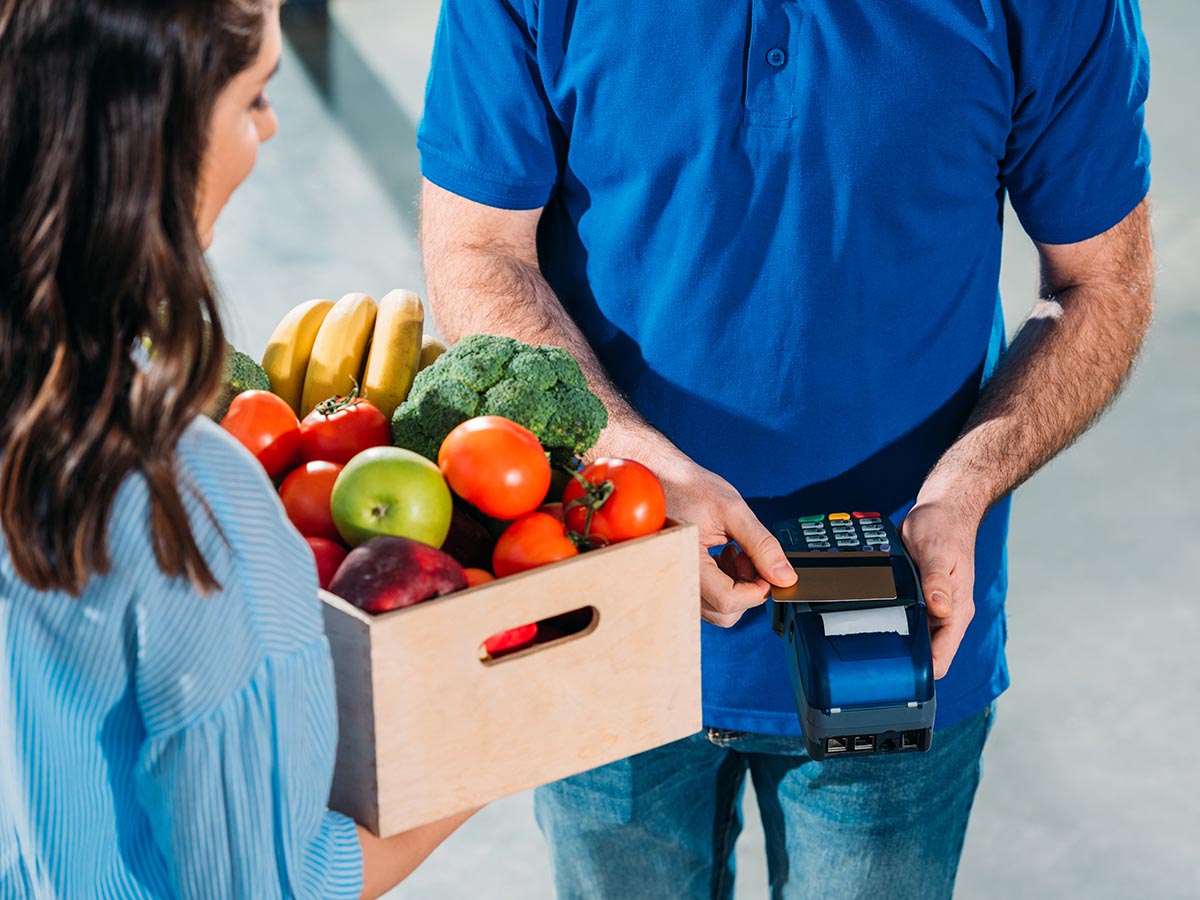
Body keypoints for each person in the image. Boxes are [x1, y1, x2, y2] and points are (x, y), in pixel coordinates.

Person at [415, 0, 1154, 897]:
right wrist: (629, 454)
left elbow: (1099, 281)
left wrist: (968, 483)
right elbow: (479, 249)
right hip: (607, 604)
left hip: (901, 625)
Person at [0, 3, 468, 897]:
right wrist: (504, 735)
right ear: (158, 136)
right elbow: (274, 882)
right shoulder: (195, 502)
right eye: (254, 97)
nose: (270, 126)